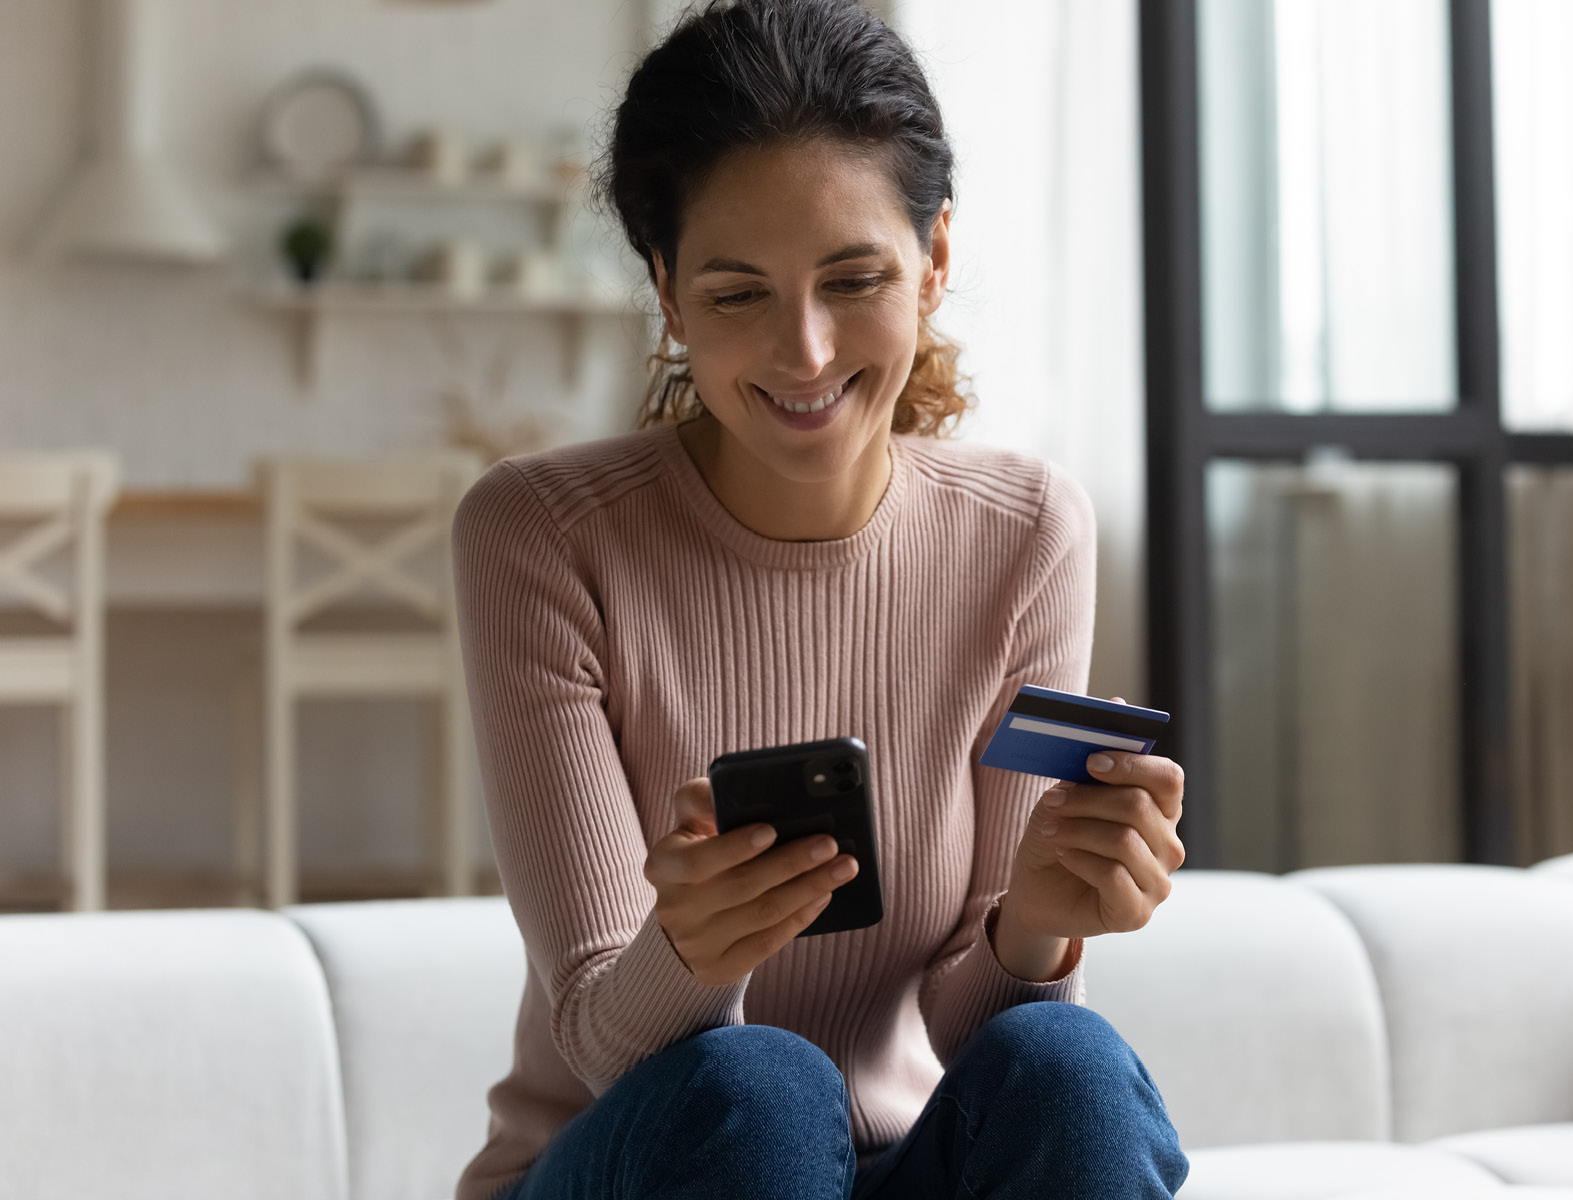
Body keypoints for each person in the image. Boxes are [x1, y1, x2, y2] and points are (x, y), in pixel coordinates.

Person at [450, 1, 1189, 1197]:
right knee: (759, 1084)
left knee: (1064, 1060)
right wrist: (688, 949)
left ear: (934, 259)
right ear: (667, 289)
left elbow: (976, 1026)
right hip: (642, 1155)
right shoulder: (540, 534)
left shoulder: (1026, 533)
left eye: (853, 279)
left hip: (897, 1165)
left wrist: (1035, 923)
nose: (802, 352)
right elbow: (600, 1039)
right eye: (739, 294)